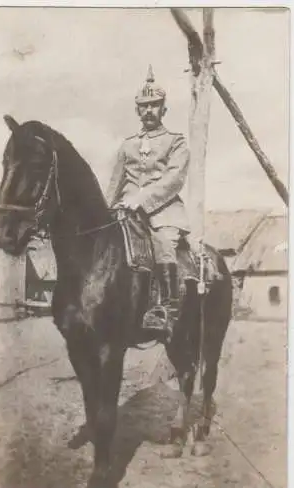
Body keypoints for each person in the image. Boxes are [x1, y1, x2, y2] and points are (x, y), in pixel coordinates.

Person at [106, 65, 190, 335]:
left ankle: (167, 308)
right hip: (126, 211)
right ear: (137, 110)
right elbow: (114, 184)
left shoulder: (175, 142)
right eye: (144, 106)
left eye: (155, 105)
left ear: (163, 109)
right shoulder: (127, 145)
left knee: (163, 242)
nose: (149, 111)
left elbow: (173, 180)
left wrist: (142, 199)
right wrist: (106, 209)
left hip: (163, 211)